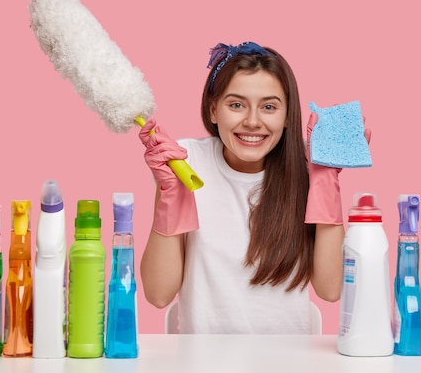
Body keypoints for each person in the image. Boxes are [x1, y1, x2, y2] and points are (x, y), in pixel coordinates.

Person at [138, 42, 371, 334]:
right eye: (236, 105)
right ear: (213, 110)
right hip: (203, 360)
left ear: (287, 116)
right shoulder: (185, 162)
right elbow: (158, 294)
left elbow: (331, 289)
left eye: (269, 107)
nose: (251, 121)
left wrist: (324, 181)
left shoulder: (308, 165)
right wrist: (171, 194)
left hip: (289, 360)